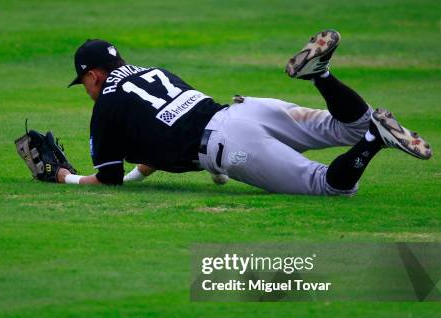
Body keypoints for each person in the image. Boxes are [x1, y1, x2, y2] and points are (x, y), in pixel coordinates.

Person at [56, 30, 432, 195]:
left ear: (94, 75)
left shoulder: (107, 102)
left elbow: (109, 180)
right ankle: (322, 76)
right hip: (249, 111)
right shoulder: (154, 73)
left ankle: (374, 140)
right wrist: (142, 173)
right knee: (347, 125)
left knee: (329, 186)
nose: (87, 91)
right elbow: (162, 137)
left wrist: (63, 178)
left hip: (230, 144)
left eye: (84, 82)